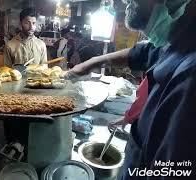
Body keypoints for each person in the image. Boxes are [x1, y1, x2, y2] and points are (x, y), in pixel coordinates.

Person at [66, 0, 196, 179]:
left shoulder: (189, 75)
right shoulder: (175, 42)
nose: (125, 2)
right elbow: (143, 52)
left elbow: (175, 170)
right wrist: (92, 62)